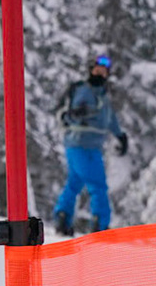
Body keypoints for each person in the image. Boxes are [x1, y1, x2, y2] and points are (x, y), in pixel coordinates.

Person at [52, 54, 128, 237]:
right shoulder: (83, 90)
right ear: (91, 70)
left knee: (75, 182)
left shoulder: (103, 96)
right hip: (80, 143)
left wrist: (120, 136)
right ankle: (101, 225)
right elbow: (69, 113)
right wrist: (78, 113)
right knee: (98, 185)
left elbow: (110, 120)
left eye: (104, 71)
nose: (100, 73)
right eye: (97, 70)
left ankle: (63, 217)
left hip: (89, 146)